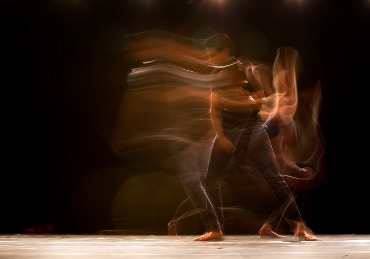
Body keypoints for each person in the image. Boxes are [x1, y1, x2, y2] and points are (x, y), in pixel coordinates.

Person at [193, 33, 320, 241]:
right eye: (207, 56)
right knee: (210, 180)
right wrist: (221, 136)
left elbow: (258, 101)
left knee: (273, 178)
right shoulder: (215, 76)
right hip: (229, 133)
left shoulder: (242, 70)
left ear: (225, 52)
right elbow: (213, 108)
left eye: (212, 55)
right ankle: (215, 228)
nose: (209, 60)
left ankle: (300, 226)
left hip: (252, 131)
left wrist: (237, 102)